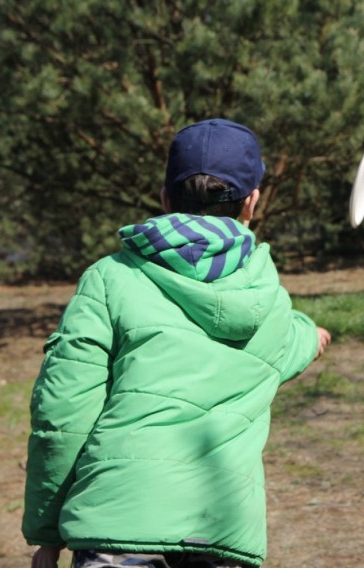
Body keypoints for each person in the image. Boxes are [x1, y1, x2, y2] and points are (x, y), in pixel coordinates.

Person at [22, 118, 331, 568]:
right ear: (252, 202)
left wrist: (47, 536)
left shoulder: (110, 279)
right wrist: (315, 335)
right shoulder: (270, 300)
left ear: (166, 198)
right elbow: (293, 343)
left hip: (116, 526)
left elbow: (63, 410)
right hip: (221, 528)